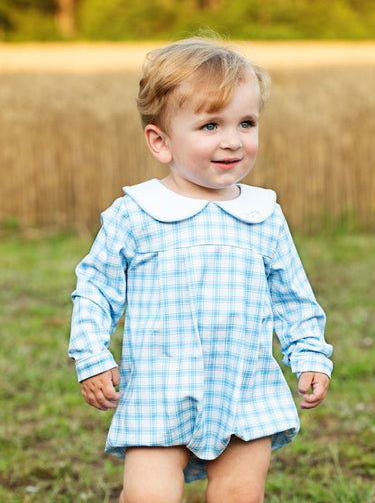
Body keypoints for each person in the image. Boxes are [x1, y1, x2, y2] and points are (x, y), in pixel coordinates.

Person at [69, 36, 333, 503]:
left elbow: (293, 297)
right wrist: (92, 353)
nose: (232, 140)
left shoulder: (263, 215)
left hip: (245, 387)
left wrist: (309, 354)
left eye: (246, 123)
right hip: (158, 388)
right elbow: (96, 289)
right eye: (210, 125)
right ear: (161, 141)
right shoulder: (136, 214)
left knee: (239, 495)